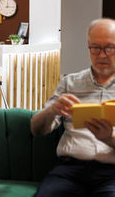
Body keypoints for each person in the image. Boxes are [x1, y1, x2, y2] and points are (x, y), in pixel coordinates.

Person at [31, 18, 115, 197]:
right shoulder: (70, 83)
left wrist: (109, 138)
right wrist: (52, 109)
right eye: (95, 48)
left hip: (111, 173)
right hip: (69, 170)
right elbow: (36, 129)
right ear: (88, 46)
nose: (101, 55)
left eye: (109, 48)